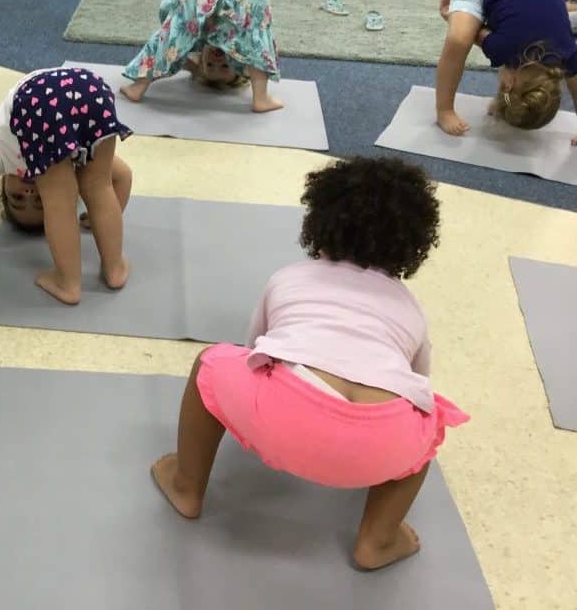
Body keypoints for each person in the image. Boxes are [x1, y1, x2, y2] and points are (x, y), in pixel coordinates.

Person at [151, 156, 468, 571]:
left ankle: (187, 485)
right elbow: (417, 385)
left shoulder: (289, 277)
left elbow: (253, 351)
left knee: (209, 364)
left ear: (320, 226)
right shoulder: (411, 309)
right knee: (429, 427)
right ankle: (378, 538)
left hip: (281, 421)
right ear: (411, 249)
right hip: (381, 445)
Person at [0, 68, 133, 306]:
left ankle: (68, 283)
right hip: (89, 88)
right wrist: (96, 216)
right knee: (99, 186)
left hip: (41, 101)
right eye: (39, 202)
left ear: (3, 183)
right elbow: (122, 178)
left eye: (17, 198)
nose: (28, 192)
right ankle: (114, 268)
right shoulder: (72, 154)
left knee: (60, 201)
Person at [436, 0, 577, 144]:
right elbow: (476, 33)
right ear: (507, 86)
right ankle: (444, 110)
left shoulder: (567, 54)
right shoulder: (501, 48)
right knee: (459, 40)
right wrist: (453, 18)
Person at [122, 0, 282, 113]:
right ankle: (261, 97)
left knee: (174, 35)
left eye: (210, 65)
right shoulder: (239, 48)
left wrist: (194, 69)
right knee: (255, 32)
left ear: (200, 62)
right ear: (237, 66)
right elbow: (259, 50)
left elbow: (172, 49)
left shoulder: (194, 40)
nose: (217, 60)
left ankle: (139, 86)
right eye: (225, 66)